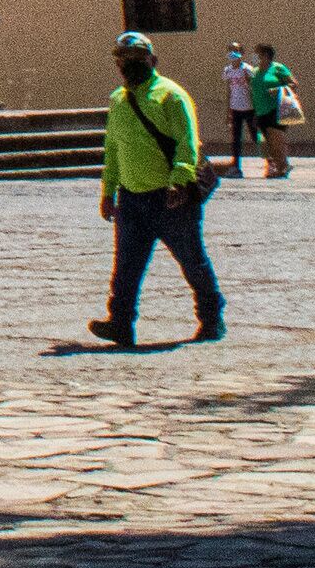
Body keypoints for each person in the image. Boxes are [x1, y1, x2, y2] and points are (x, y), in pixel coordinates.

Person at [91, 31, 223, 348]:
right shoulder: (118, 100)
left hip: (171, 198)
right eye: (123, 60)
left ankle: (211, 317)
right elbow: (113, 149)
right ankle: (120, 324)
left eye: (136, 58)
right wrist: (108, 191)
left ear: (152, 60)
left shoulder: (171, 96)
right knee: (125, 267)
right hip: (132, 198)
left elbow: (187, 144)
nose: (129, 64)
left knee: (192, 261)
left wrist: (180, 180)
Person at [248, 43, 296, 179]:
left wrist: (279, 89)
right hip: (260, 111)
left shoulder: (278, 68)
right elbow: (253, 92)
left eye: (257, 54)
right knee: (266, 142)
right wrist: (254, 112)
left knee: (276, 139)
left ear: (266, 56)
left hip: (277, 109)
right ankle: (279, 165)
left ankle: (281, 167)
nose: (254, 57)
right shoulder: (254, 72)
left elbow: (293, 84)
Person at [220, 43, 258, 177]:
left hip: (249, 108)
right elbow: (229, 90)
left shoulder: (247, 69)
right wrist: (228, 111)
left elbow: (254, 88)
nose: (233, 53)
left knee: (256, 136)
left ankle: (271, 161)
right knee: (236, 139)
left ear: (241, 53)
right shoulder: (227, 70)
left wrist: (256, 109)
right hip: (235, 109)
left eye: (236, 50)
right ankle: (236, 167)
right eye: (230, 50)